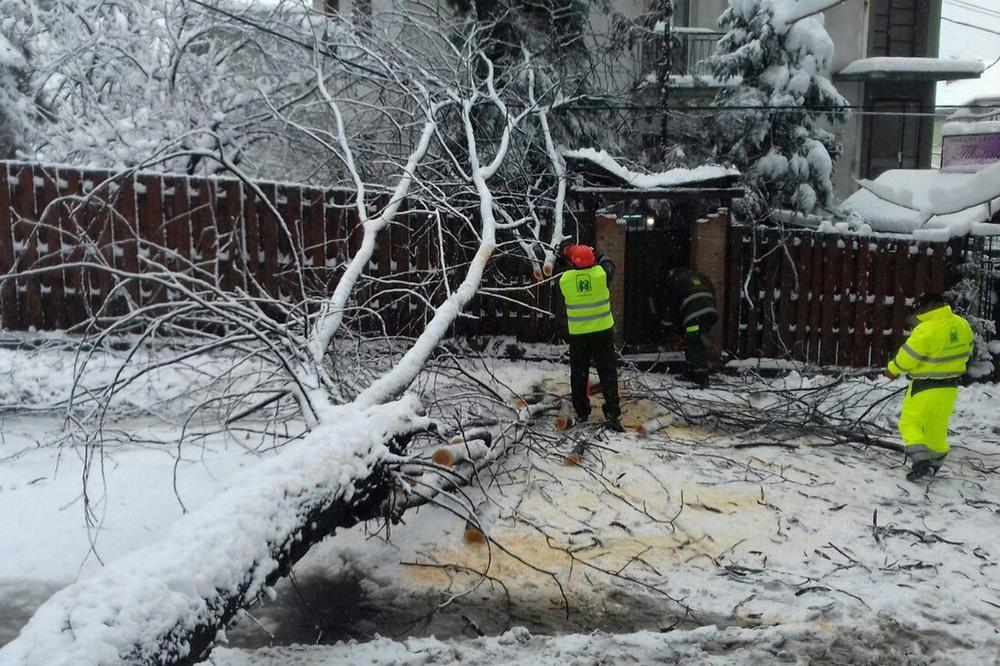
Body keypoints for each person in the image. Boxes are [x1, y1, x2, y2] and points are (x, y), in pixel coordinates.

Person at [884, 292, 974, 481]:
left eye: (920, 307)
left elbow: (908, 357)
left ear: (928, 306)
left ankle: (921, 461)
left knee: (910, 423)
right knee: (936, 427)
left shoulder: (926, 329)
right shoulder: (961, 324)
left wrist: (893, 369)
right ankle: (935, 463)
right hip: (949, 389)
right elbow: (968, 349)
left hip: (924, 387)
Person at [558, 243, 623, 432]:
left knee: (579, 374)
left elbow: (566, 269)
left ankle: (582, 411)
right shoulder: (602, 275)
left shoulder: (566, 280)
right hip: (602, 332)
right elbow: (609, 263)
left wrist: (566, 257)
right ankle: (612, 412)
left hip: (579, 335)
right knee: (607, 372)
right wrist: (596, 252)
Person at [658, 267, 719, 386]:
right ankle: (694, 370)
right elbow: (712, 292)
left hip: (693, 315)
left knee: (693, 341)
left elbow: (670, 308)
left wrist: (666, 327)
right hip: (709, 313)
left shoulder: (676, 283)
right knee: (699, 338)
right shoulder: (700, 277)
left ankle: (700, 375)